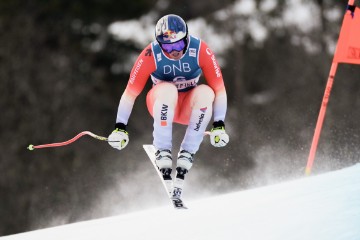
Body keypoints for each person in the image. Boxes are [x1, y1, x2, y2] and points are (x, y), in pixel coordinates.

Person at [108, 14, 229, 200]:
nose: (174, 52)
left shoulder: (200, 50)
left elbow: (220, 91)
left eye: (179, 45)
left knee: (207, 92)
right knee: (168, 89)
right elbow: (130, 94)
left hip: (188, 108)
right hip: (161, 105)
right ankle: (162, 150)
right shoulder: (150, 54)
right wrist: (120, 127)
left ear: (187, 38)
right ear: (159, 44)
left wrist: (219, 124)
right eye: (168, 47)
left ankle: (188, 153)